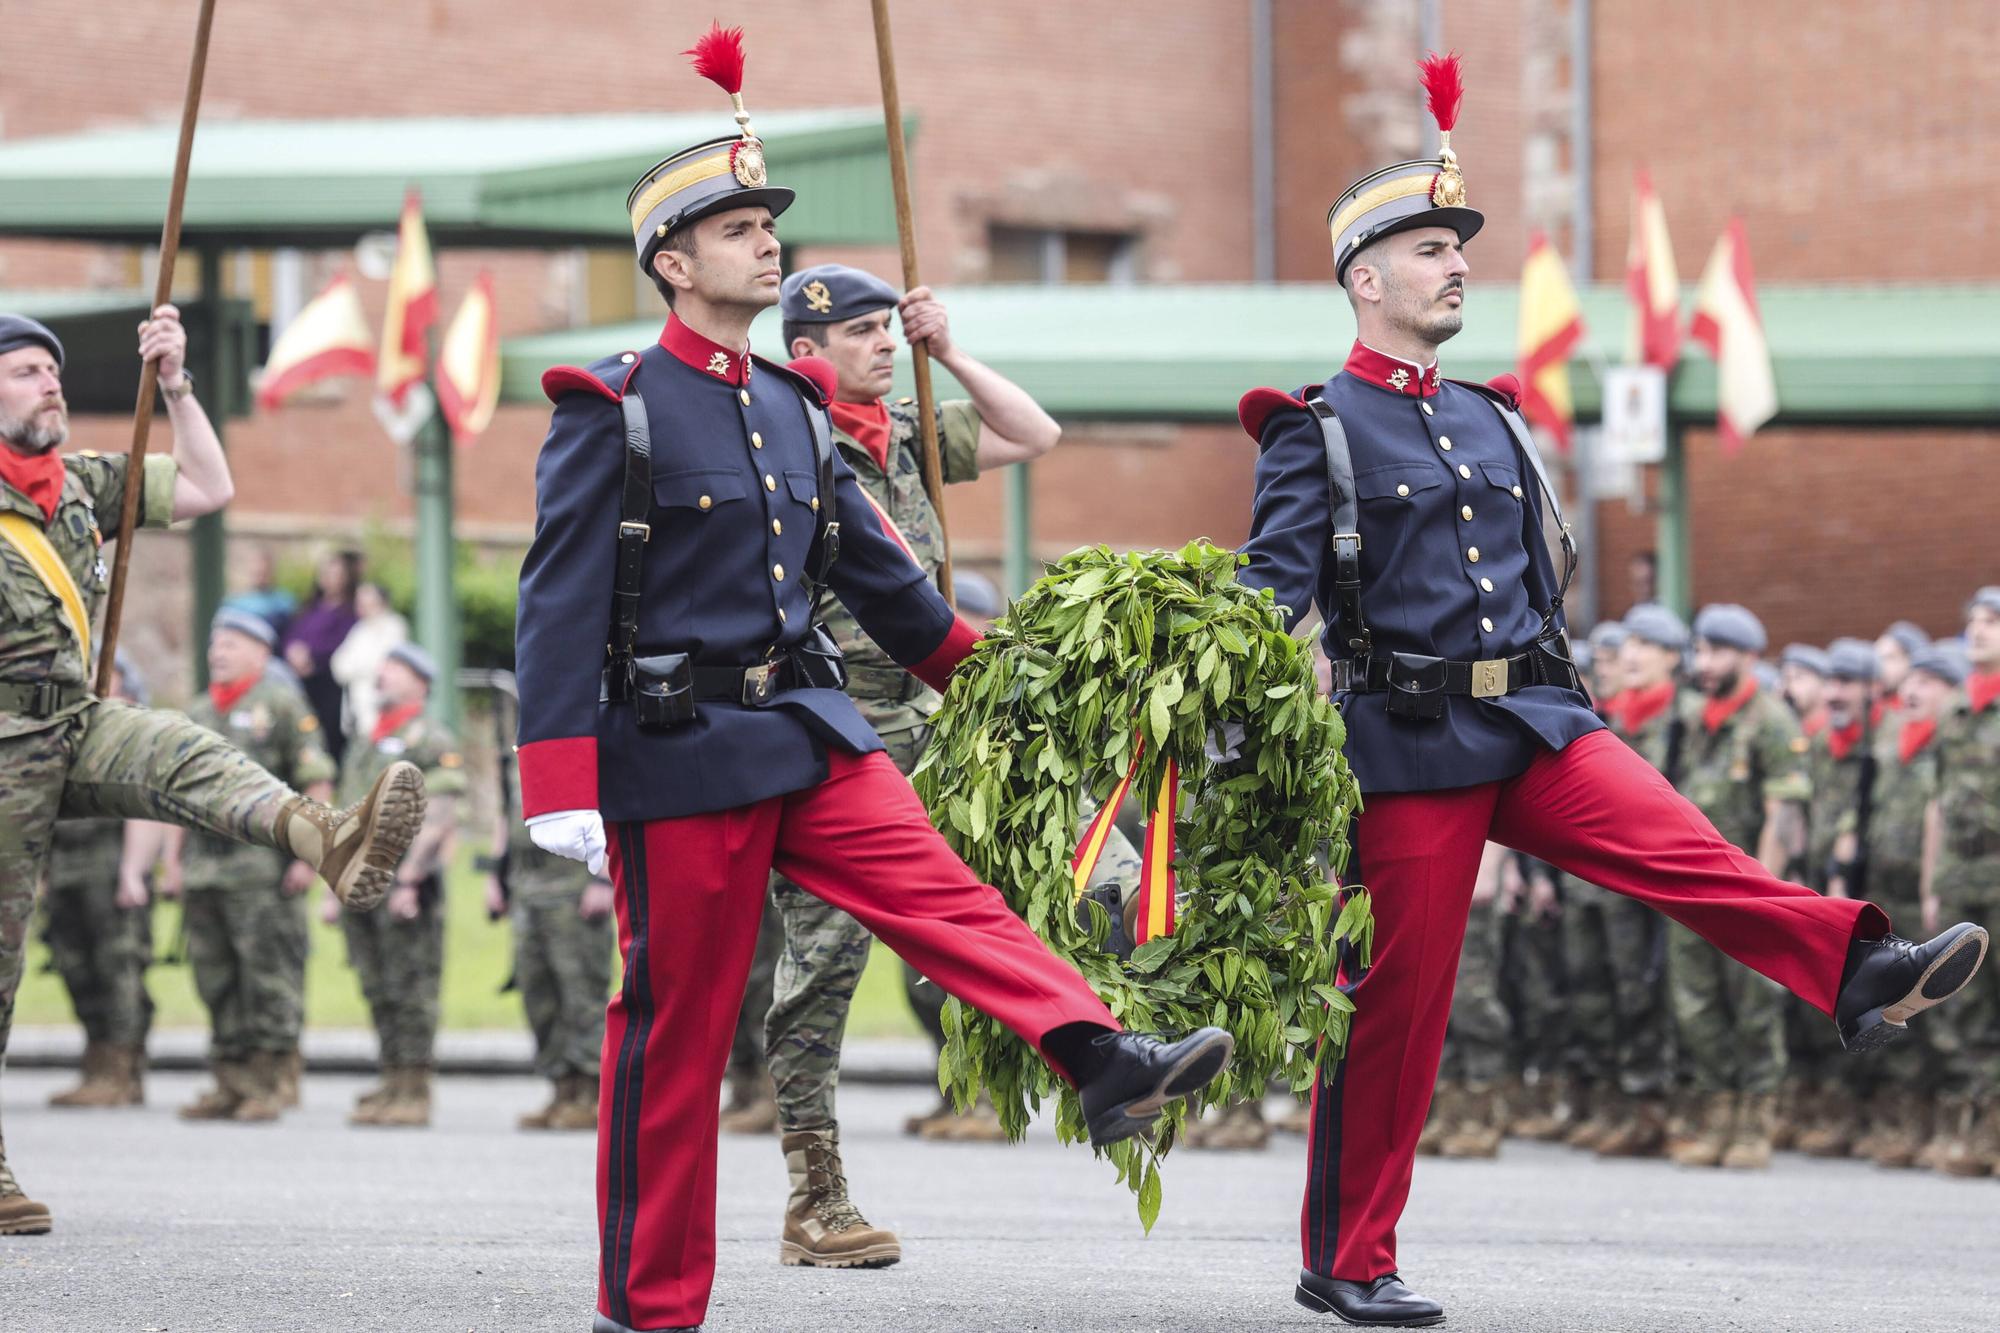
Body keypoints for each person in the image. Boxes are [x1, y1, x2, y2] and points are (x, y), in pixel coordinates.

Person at [1229, 54, 1984, 1325]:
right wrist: (1217, 710)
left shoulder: (1491, 416)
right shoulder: (1315, 430)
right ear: (1365, 278)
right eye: (1426, 248)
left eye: (1457, 247)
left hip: (1530, 716)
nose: (1454, 264)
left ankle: (1851, 970)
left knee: (1682, 842)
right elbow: (1267, 595)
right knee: (1395, 1010)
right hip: (1404, 739)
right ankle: (1347, 1259)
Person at [513, 40, 1229, 1331]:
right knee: (672, 1043)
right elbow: (557, 597)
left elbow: (897, 595)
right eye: (735, 229)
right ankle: (652, 1304)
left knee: (948, 894)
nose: (764, 245)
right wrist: (558, 776)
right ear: (672, 262)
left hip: (807, 726)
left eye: (766, 225)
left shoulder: (796, 408)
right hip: (677, 751)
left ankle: (1098, 1054)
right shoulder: (611, 410)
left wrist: (1005, 684)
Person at [0, 308, 426, 1238]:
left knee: (187, 751)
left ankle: (327, 833)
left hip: (75, 719)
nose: (51, 384)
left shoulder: (80, 483)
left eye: (52, 370)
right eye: (28, 370)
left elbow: (208, 483)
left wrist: (180, 383)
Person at [153, 608, 335, 1122]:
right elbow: (171, 797)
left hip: (263, 872)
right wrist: (173, 863)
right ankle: (230, 1083)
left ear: (261, 652)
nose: (219, 653)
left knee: (268, 976)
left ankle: (273, 1082)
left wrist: (310, 854)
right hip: (207, 871)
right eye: (215, 645)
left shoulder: (280, 704)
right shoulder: (196, 713)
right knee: (216, 976)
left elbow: (315, 779)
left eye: (232, 644)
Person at [329, 642, 464, 1129]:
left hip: (404, 884)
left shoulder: (430, 738)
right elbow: (346, 817)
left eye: (396, 669)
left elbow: (443, 814)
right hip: (362, 884)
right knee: (378, 985)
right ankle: (391, 1078)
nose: (383, 675)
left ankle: (414, 1088)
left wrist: (411, 878)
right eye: (383, 666)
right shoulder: (367, 740)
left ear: (421, 685)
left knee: (411, 986)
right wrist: (334, 883)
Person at [1853, 640, 1965, 1168]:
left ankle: (1953, 1121)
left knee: (1950, 1013)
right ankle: (1906, 1120)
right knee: (1897, 1008)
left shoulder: (1961, 740)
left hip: (1946, 884)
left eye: (1930, 681)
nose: (1913, 689)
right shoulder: (1892, 735)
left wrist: (1932, 886)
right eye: (1911, 679)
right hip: (1886, 884)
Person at [486, 717, 615, 1134]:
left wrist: (602, 878)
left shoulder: (586, 733)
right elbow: (508, 813)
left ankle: (592, 1093)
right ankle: (561, 1087)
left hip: (572, 887)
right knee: (538, 992)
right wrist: (498, 875)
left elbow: (609, 807)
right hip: (529, 886)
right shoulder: (525, 739)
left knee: (581, 992)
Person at [38, 651, 154, 1109]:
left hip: (109, 867)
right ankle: (97, 1061)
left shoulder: (131, 736)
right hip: (67, 869)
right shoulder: (67, 738)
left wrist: (133, 871)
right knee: (75, 966)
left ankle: (124, 1070)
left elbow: (148, 809)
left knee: (118, 969)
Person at [1787, 638, 1880, 1156]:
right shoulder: (1821, 745)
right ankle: (1834, 1107)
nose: (1836, 692)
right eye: (1834, 682)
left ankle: (1877, 1111)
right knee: (1823, 1002)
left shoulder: (1879, 744)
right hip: (1824, 881)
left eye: (1848, 683)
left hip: (1869, 886)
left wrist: (1843, 873)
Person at [1924, 589, 2000, 1177]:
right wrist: (1932, 881)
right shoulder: (1953, 711)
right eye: (1972, 620)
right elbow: (1937, 804)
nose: (1978, 630)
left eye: (1992, 622)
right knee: (1964, 1005)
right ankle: (1980, 1128)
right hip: (1961, 873)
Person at [280, 548, 362, 766]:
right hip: (301, 684)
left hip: (329, 686)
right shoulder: (310, 607)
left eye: (336, 573)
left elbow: (344, 642)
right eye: (326, 572)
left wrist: (312, 658)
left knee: (328, 736)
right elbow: (292, 634)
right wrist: (293, 651)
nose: (329, 578)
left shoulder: (349, 612)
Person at [329, 581, 408, 742]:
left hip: (383, 707)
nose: (361, 605)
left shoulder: (394, 626)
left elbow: (382, 665)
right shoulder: (359, 629)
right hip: (356, 707)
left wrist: (357, 668)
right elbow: (339, 665)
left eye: (366, 600)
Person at [221, 542, 297, 643]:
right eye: (257, 572)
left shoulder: (285, 602)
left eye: (264, 572)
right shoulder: (233, 603)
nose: (261, 576)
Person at [1780, 643, 1832, 737]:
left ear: (1823, 684)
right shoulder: (1784, 730)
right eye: (1786, 678)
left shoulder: (1832, 731)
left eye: (1798, 677)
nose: (1789, 685)